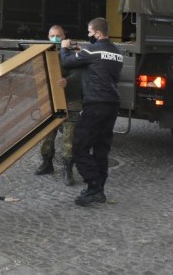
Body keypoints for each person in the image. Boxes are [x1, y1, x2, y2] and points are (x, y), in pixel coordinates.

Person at [60, 17, 123, 206]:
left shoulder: (92, 50)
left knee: (79, 146)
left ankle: (93, 187)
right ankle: (100, 190)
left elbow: (67, 63)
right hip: (112, 104)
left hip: (95, 104)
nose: (88, 35)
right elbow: (99, 64)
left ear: (97, 33)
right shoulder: (117, 53)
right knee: (101, 149)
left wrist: (64, 47)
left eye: (89, 32)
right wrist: (84, 53)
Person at [34, 25, 83, 186]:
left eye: (59, 35)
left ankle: (67, 170)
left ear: (64, 37)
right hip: (52, 101)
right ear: (48, 37)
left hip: (71, 100)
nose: (56, 38)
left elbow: (79, 74)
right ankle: (47, 163)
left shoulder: (74, 53)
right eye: (52, 35)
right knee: (48, 135)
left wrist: (67, 81)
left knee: (69, 138)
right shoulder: (44, 53)